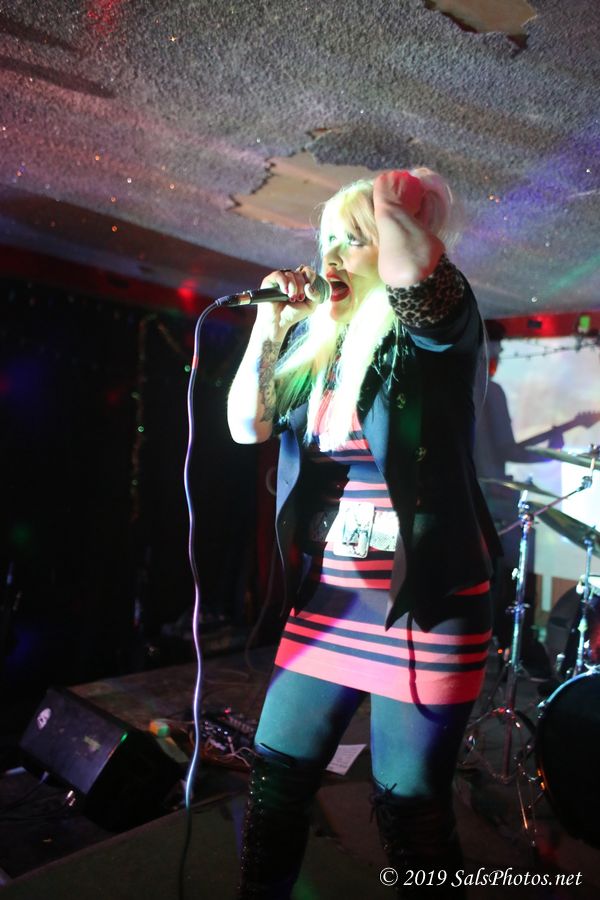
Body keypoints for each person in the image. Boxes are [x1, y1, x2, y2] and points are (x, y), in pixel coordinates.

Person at [227, 168, 501, 897]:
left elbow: (419, 280)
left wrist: (390, 201)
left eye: (354, 239)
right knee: (275, 777)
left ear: (395, 243)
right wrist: (268, 325)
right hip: (335, 599)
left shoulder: (437, 337)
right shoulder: (324, 350)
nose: (331, 255)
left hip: (427, 604)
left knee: (411, 814)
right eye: (326, 239)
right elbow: (246, 425)